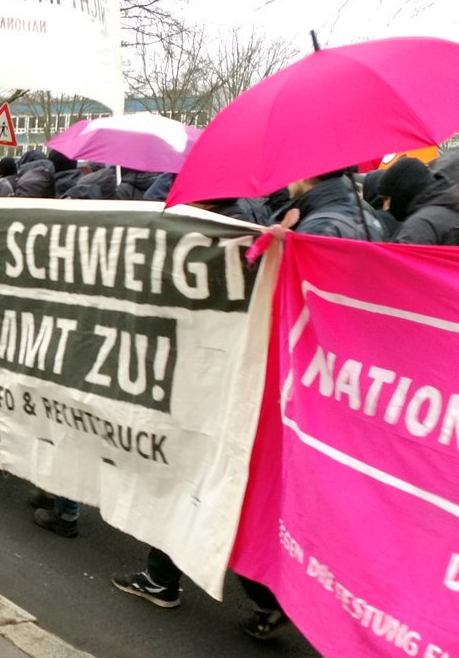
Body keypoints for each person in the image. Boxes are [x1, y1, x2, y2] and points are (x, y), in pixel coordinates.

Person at [112, 166, 387, 612]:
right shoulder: (365, 218)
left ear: (308, 173)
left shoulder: (318, 226)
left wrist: (268, 255)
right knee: (248, 483)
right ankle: (256, 594)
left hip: (274, 375)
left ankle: (192, 583)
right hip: (328, 382)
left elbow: (276, 304)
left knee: (210, 469)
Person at [379, 156, 459, 245]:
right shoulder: (451, 205)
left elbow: (403, 258)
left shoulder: (420, 225)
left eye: (387, 198)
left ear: (404, 190)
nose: (385, 207)